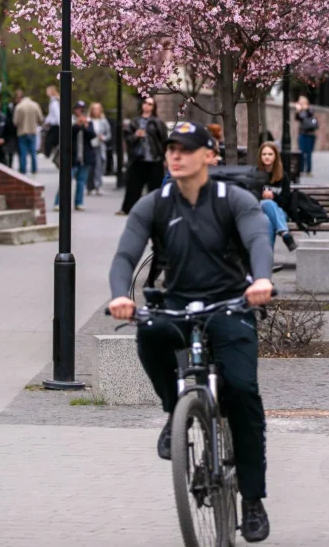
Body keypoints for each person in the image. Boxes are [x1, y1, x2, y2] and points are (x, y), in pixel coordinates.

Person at [108, 120, 274, 543]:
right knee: (149, 332)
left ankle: (252, 500)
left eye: (185, 148)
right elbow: (126, 253)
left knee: (242, 392)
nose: (175, 156)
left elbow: (258, 238)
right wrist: (119, 295)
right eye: (170, 149)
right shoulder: (156, 203)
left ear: (209, 156)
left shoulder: (232, 199)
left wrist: (260, 280)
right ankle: (174, 410)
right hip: (179, 304)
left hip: (231, 305)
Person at [119, 95, 168, 216]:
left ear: (154, 107)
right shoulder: (135, 122)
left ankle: (157, 210)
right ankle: (127, 208)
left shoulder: (157, 122)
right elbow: (128, 138)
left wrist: (165, 157)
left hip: (154, 158)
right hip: (138, 158)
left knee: (155, 187)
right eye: (145, 102)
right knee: (133, 186)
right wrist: (136, 135)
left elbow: (164, 141)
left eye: (150, 104)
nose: (147, 105)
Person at [257, 141, 296, 253]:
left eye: (270, 154)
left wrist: (273, 196)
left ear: (275, 156)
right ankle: (285, 233)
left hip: (280, 213)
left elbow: (285, 202)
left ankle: (267, 262)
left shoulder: (283, 176)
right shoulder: (256, 175)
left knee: (269, 220)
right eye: (264, 154)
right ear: (260, 157)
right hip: (260, 212)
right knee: (266, 204)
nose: (267, 157)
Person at [13, 91, 44, 175]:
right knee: (33, 152)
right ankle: (34, 169)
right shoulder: (35, 105)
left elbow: (15, 122)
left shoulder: (19, 107)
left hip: (22, 132)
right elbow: (41, 118)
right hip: (32, 131)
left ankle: (23, 170)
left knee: (23, 152)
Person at [87, 102, 111, 195]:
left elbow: (108, 134)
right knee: (90, 167)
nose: (96, 111)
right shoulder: (88, 120)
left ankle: (98, 186)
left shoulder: (103, 121)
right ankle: (89, 186)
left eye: (98, 109)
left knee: (99, 166)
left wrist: (103, 137)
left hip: (99, 146)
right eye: (94, 109)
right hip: (90, 145)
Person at [295, 96, 318, 176]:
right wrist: (298, 111)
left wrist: (305, 109)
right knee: (301, 152)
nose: (301, 104)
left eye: (302, 102)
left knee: (308, 153)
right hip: (302, 134)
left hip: (310, 135)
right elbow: (298, 118)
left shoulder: (310, 110)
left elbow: (310, 115)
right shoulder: (300, 112)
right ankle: (300, 170)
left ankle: (308, 171)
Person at [3, 89, 22, 169]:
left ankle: (21, 167)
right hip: (11, 132)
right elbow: (8, 120)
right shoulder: (10, 107)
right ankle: (10, 167)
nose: (19, 99)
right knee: (10, 152)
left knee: (20, 151)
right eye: (17, 97)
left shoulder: (21, 106)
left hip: (20, 131)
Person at [43, 85, 61, 158]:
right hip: (54, 124)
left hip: (55, 124)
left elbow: (56, 114)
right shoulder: (53, 101)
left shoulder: (54, 102)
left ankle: (47, 154)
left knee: (49, 140)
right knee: (53, 140)